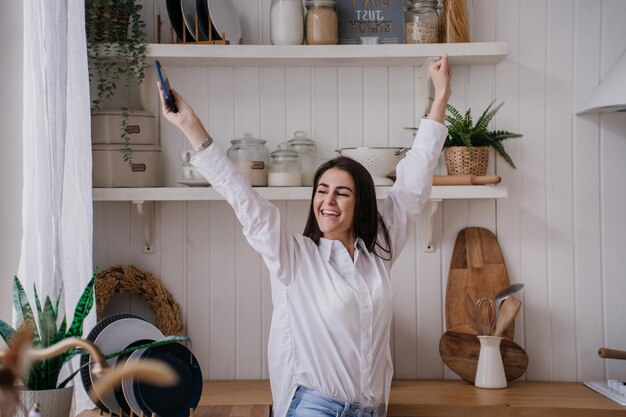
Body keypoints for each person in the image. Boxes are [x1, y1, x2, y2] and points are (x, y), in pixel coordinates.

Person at [159, 55, 452, 417]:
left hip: (373, 409)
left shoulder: (379, 252)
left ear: (360, 203)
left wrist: (440, 99)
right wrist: (192, 126)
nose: (328, 201)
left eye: (341, 193)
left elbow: (413, 184)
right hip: (315, 407)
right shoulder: (294, 257)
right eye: (321, 190)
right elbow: (243, 197)